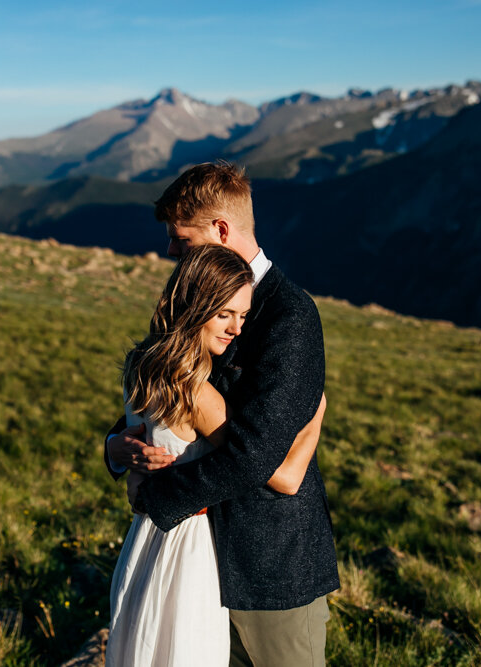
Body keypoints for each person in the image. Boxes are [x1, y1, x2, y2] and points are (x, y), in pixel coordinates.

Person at [105, 162, 340, 666]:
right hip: (200, 566)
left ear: (221, 231)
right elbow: (166, 388)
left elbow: (258, 457)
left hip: (268, 567)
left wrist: (157, 498)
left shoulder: (289, 316)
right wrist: (118, 445)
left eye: (180, 238)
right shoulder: (197, 298)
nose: (170, 250)